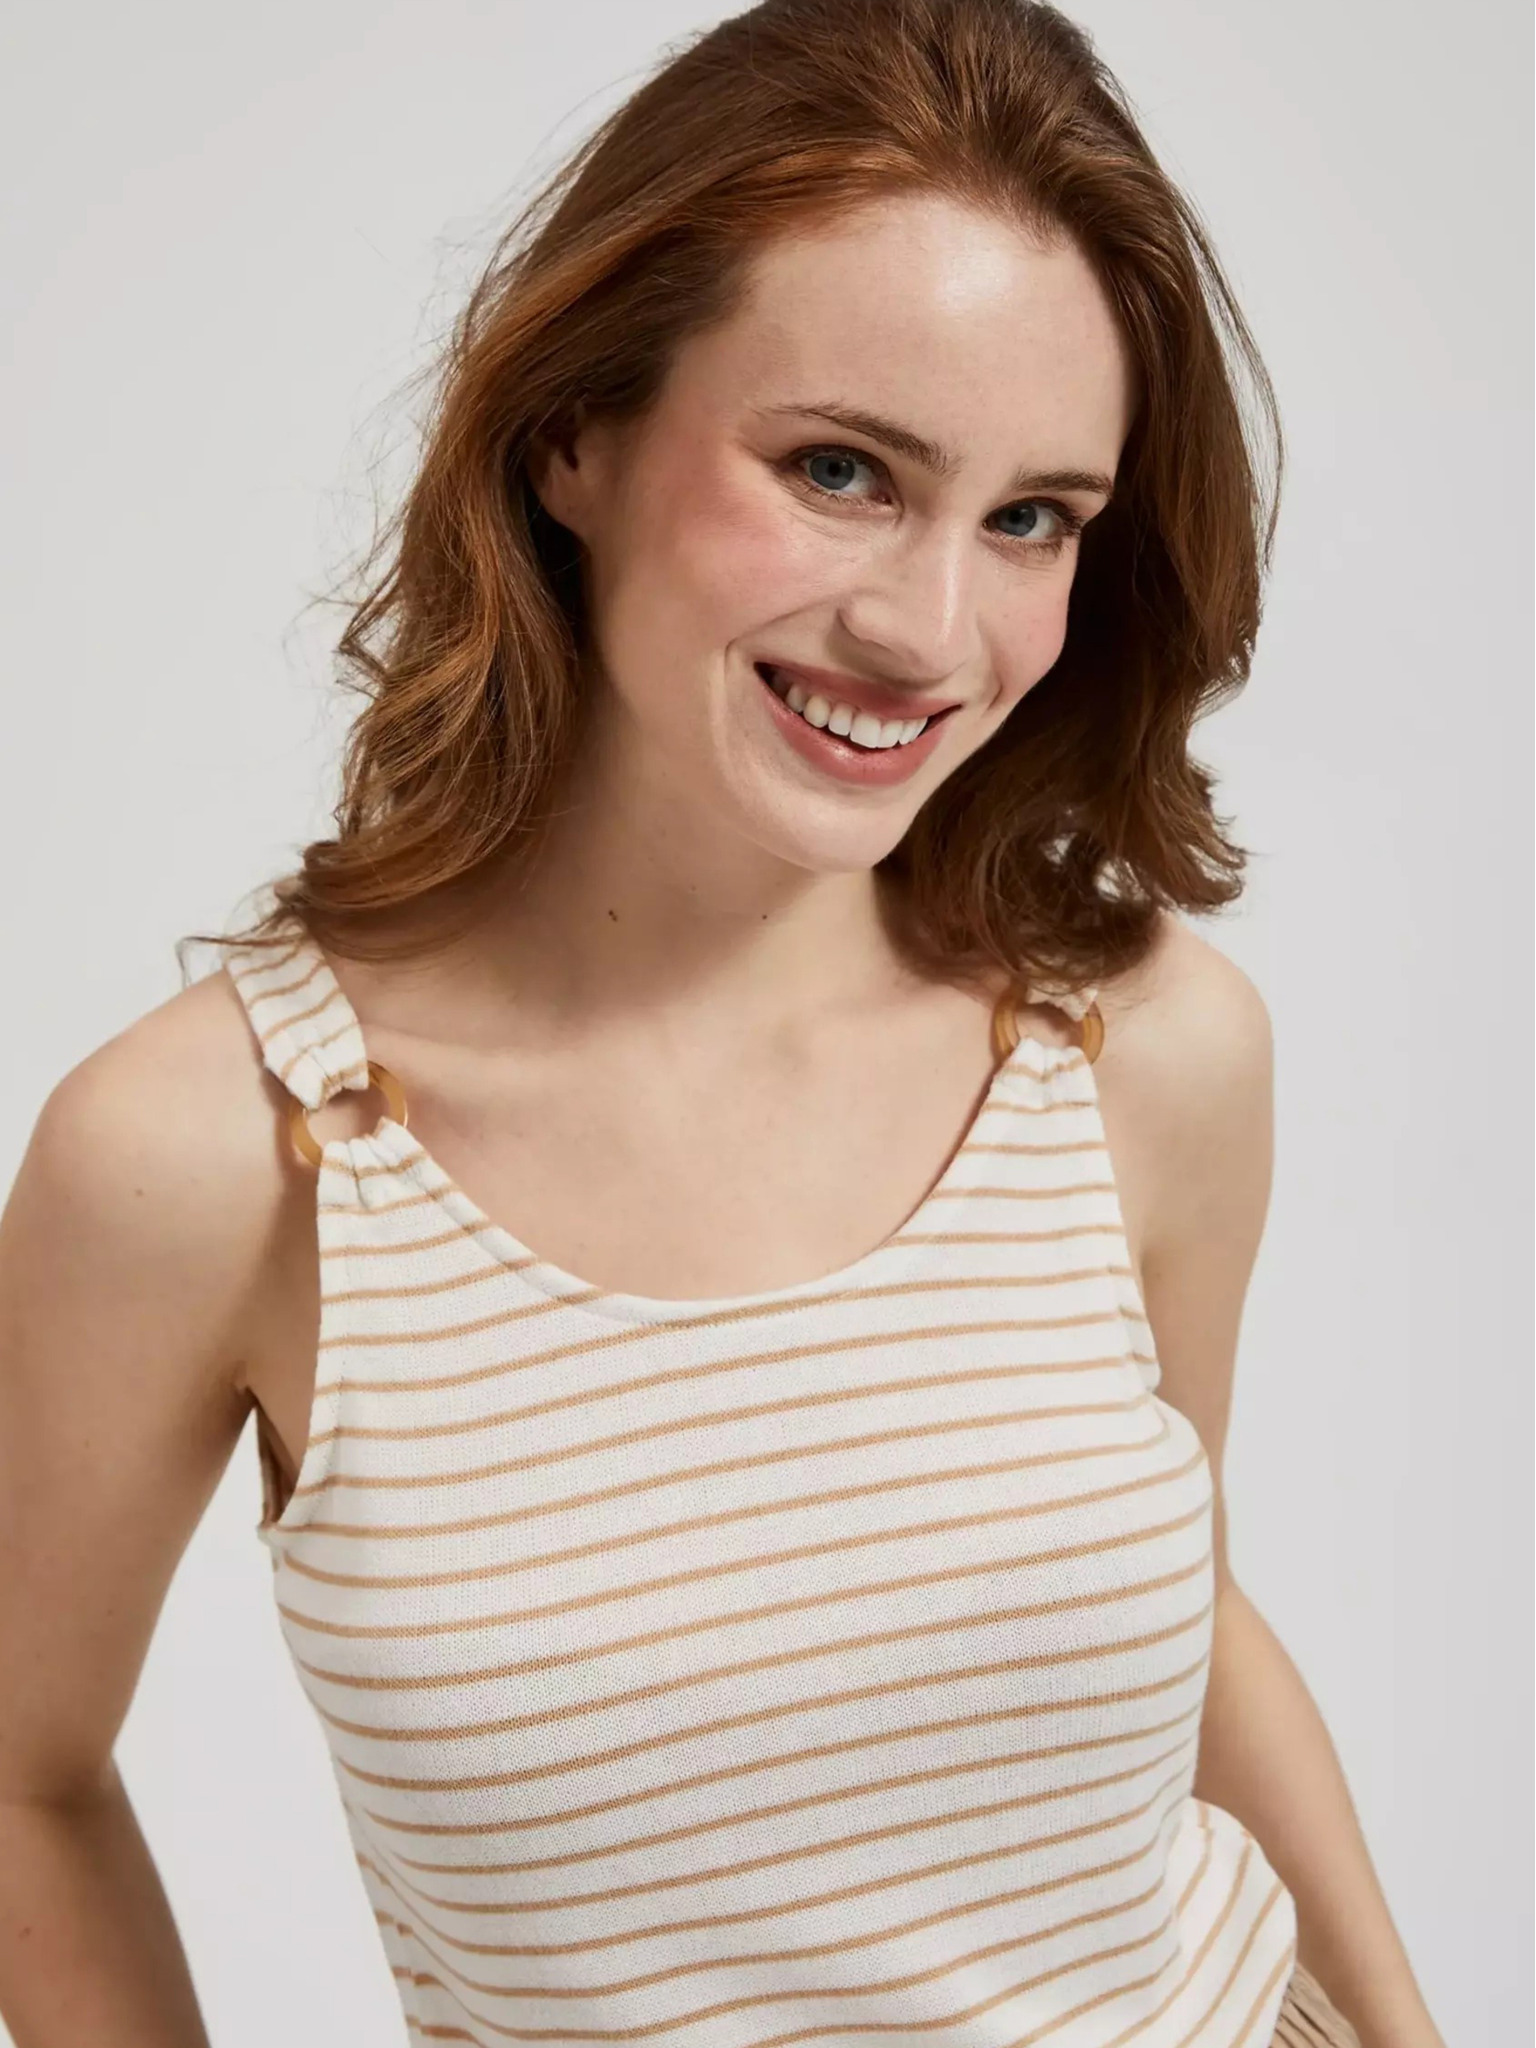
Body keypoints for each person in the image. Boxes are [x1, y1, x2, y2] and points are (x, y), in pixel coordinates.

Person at [0, 2, 1446, 2044]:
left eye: (1032, 517)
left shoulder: (1142, 1054)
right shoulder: (219, 1160)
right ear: (572, 437)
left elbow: (1186, 1608)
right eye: (842, 470)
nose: (929, 631)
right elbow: (22, 1776)